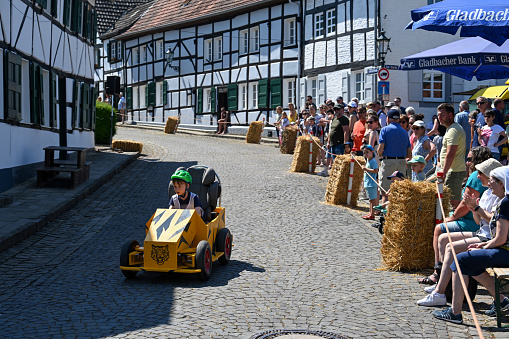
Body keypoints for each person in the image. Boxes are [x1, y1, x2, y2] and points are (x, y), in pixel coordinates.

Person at [417, 158, 503, 307]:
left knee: (451, 247)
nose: (478, 176)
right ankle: (443, 282)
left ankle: (440, 292)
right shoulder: (488, 193)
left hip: (488, 237)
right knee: (444, 238)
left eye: (481, 173)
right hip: (482, 233)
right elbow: (478, 221)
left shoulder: (498, 196)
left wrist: (476, 208)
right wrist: (472, 207)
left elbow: (493, 222)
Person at [433, 166, 509, 324]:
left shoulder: (506, 203)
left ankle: (455, 313)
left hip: (504, 251)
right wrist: (484, 245)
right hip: (502, 249)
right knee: (469, 263)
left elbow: (501, 239)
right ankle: (502, 301)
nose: (489, 183)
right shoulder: (504, 201)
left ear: (502, 183)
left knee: (461, 260)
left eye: (493, 181)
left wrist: (483, 246)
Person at [418, 147, 491, 285]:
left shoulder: (476, 176)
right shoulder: (486, 176)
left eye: (469, 159)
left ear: (477, 161)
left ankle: (437, 272)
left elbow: (465, 205)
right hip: (477, 221)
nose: (467, 162)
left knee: (439, 229)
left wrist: (452, 218)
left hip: (472, 222)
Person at [377, 109, 411, 204]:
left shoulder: (385, 129)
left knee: (386, 192)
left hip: (388, 162)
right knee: (399, 192)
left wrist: (380, 154)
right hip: (401, 162)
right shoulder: (404, 132)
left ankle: (384, 216)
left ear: (388, 118)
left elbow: (380, 150)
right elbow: (409, 154)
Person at [437, 103, 466, 209]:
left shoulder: (453, 130)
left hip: (454, 172)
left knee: (453, 204)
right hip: (452, 171)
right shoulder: (452, 129)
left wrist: (443, 173)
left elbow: (450, 153)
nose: (439, 118)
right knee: (451, 203)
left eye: (442, 115)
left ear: (450, 115)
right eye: (438, 115)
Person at [361, 145, 379, 220]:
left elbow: (376, 171)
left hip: (371, 184)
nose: (366, 154)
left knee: (372, 200)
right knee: (370, 199)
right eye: (364, 153)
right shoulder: (368, 161)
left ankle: (372, 214)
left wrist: (366, 169)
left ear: (372, 152)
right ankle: (371, 212)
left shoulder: (373, 161)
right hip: (368, 183)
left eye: (367, 152)